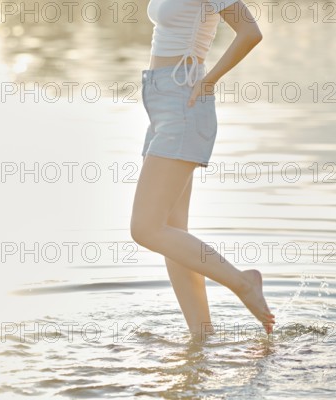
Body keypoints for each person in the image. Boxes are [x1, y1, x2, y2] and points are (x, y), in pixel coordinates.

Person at [130, 0, 275, 336]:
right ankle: (202, 337)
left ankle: (243, 282)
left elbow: (250, 32)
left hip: (184, 99)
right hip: (162, 99)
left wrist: (209, 80)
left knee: (146, 228)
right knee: (171, 230)